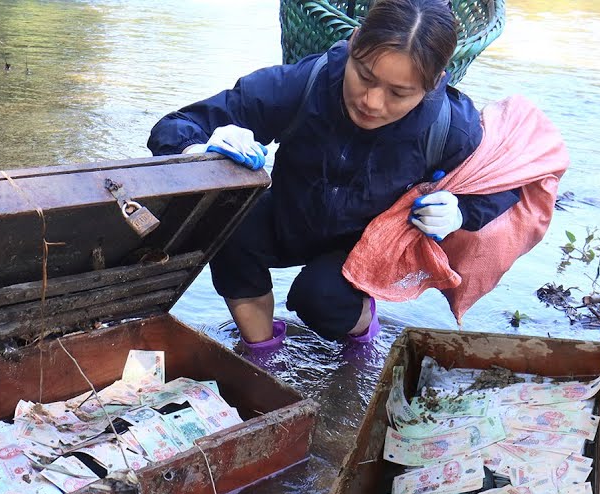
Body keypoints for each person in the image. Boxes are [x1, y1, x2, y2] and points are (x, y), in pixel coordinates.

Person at [148, 0, 520, 357]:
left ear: (433, 83)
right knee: (226, 225)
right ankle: (261, 354)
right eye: (364, 76)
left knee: (320, 298)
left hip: (363, 244)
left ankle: (361, 338)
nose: (372, 102)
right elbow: (175, 127)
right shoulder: (302, 84)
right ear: (354, 41)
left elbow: (508, 184)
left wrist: (460, 211)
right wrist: (200, 151)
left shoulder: (451, 126)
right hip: (290, 216)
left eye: (398, 93)